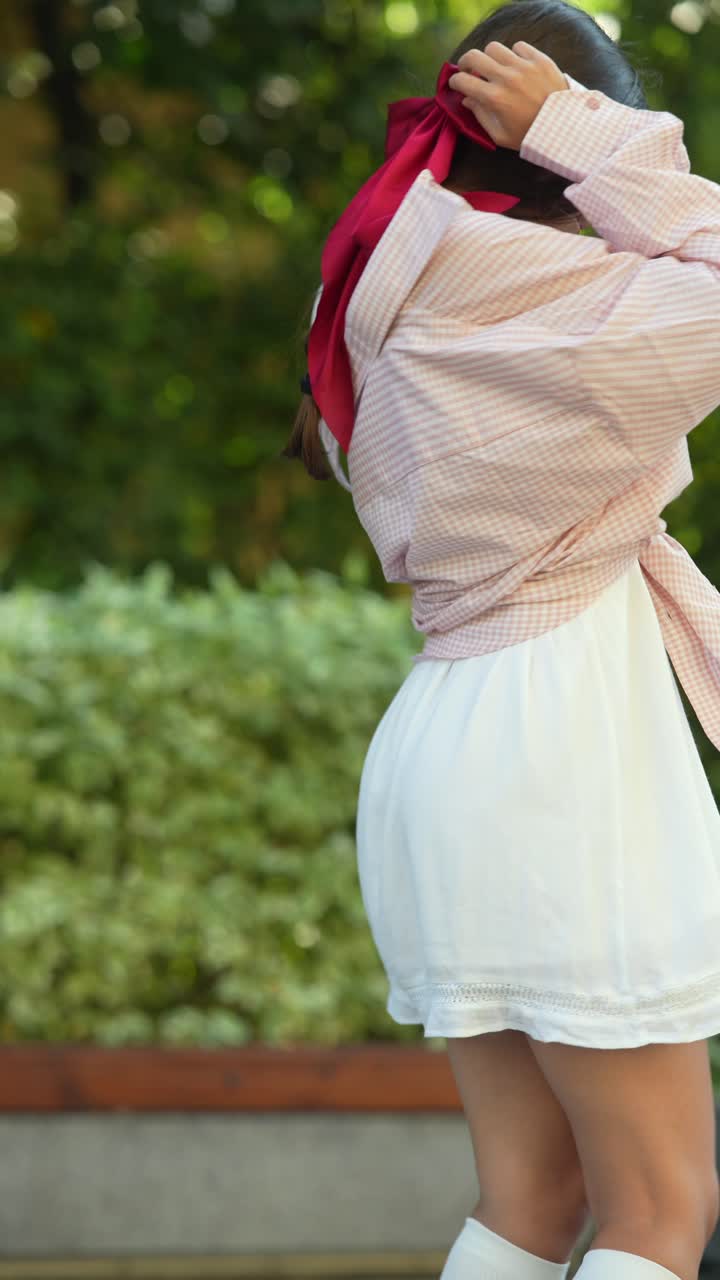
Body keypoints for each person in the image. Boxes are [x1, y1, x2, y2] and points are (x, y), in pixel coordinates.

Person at [282, 4, 720, 1280]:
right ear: (558, 140)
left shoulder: (382, 274)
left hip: (458, 737)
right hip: (557, 742)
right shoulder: (514, 282)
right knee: (663, 1205)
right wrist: (599, 136)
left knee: (534, 1195)